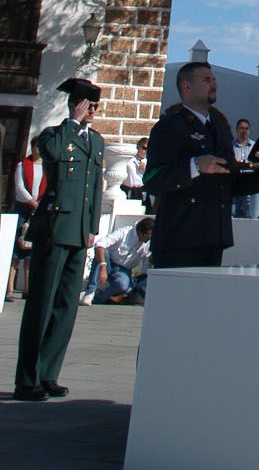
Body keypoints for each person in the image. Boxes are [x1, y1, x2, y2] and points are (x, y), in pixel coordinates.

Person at [14, 78, 105, 401]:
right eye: (89, 106)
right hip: (54, 228)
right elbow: (49, 152)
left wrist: (92, 226)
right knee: (41, 303)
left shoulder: (96, 141)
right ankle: (28, 378)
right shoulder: (57, 135)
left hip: (80, 232)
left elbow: (94, 187)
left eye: (95, 106)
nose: (93, 111)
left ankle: (49, 373)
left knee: (66, 306)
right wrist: (71, 122)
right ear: (76, 105)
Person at [144, 61, 259, 269]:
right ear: (186, 86)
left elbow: (229, 183)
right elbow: (153, 180)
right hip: (180, 237)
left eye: (214, 79)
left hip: (213, 236)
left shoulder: (220, 129)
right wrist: (194, 166)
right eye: (206, 80)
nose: (213, 84)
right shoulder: (170, 127)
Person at [7, 136, 45, 302]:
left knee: (31, 253)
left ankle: (28, 288)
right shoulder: (23, 164)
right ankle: (9, 288)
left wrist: (40, 204)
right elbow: (20, 186)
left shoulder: (47, 167)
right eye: (36, 146)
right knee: (16, 251)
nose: (38, 149)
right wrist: (31, 201)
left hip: (39, 209)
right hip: (24, 208)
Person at [88, 218, 154, 305]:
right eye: (149, 236)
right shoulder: (124, 232)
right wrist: (103, 267)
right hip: (109, 263)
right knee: (102, 252)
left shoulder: (147, 244)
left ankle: (97, 299)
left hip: (123, 270)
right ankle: (89, 291)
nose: (149, 239)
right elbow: (100, 244)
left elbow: (146, 267)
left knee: (122, 285)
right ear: (141, 233)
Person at [231, 118, 259, 219]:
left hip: (250, 186)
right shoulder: (229, 146)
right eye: (241, 128)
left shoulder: (256, 147)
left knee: (251, 218)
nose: (244, 131)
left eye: (246, 128)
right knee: (232, 217)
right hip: (234, 186)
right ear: (236, 130)